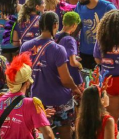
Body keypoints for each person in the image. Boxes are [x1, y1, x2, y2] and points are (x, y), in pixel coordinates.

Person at [20, 11, 81, 139]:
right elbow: (65, 80)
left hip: (37, 99)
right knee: (65, 131)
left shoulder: (25, 46)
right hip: (59, 100)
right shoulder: (58, 49)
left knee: (41, 134)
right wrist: (76, 89)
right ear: (55, 25)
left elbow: (23, 75)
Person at [0, 53, 55, 139]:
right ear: (27, 82)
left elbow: (13, 123)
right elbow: (48, 135)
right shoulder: (31, 104)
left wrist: (39, 115)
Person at [75, 0, 116, 69]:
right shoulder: (79, 6)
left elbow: (116, 30)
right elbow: (76, 26)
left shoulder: (108, 8)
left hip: (103, 54)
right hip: (85, 53)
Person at [54, 12, 83, 89]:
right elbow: (72, 62)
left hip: (57, 74)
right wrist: (80, 65)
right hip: (70, 76)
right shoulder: (70, 40)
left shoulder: (55, 36)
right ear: (74, 25)